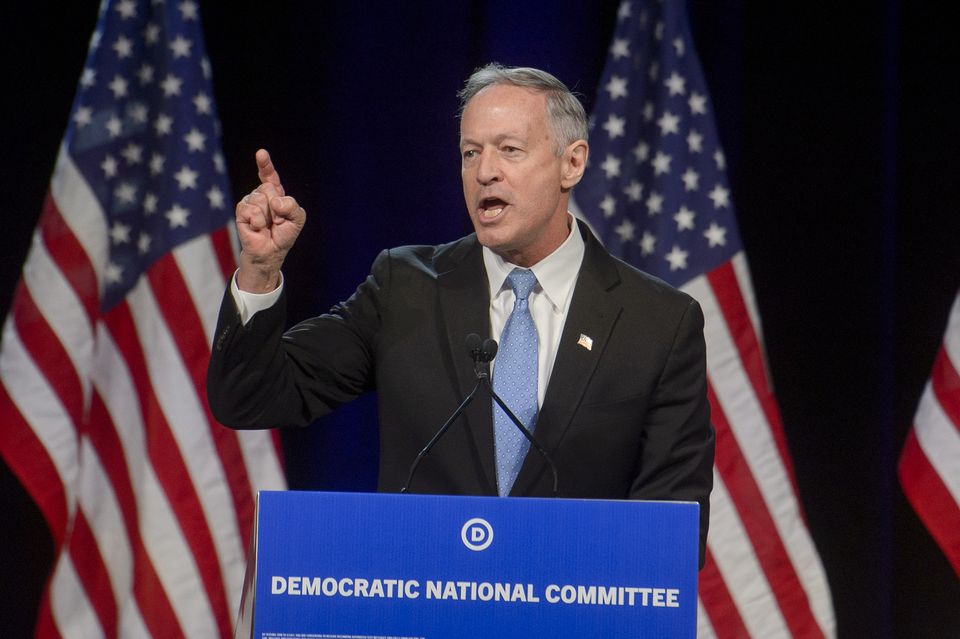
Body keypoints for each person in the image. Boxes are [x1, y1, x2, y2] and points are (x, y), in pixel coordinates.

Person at [206, 64, 715, 566]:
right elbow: (250, 399)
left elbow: (670, 531)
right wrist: (260, 269)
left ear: (572, 163)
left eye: (509, 150)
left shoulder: (659, 323)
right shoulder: (405, 289)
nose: (484, 171)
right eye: (470, 153)